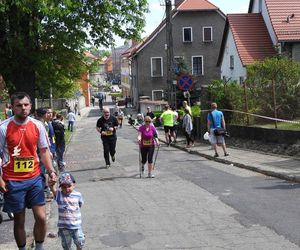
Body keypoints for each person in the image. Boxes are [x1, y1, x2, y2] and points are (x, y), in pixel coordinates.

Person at [0, 92, 57, 250]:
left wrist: (51, 171)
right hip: (13, 180)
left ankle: (39, 247)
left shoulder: (37, 125)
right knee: (19, 220)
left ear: (31, 106)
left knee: (41, 217)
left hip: (34, 179)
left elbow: (44, 151)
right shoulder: (4, 128)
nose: (23, 108)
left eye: (26, 105)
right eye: (19, 105)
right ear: (12, 108)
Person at [50, 172, 85, 250]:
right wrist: (52, 185)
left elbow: (79, 205)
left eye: (69, 186)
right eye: (64, 187)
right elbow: (53, 190)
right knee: (66, 244)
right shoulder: (59, 195)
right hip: (64, 227)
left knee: (80, 241)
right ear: (61, 188)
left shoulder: (78, 195)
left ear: (74, 184)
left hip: (76, 225)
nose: (67, 189)